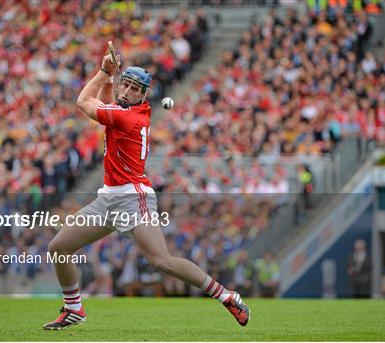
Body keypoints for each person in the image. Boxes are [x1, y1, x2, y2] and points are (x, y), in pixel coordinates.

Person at [42, 41, 250, 330]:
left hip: (132, 197)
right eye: (124, 86)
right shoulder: (125, 110)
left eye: (133, 89)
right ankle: (74, 308)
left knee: (161, 261)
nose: (126, 91)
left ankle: (226, 295)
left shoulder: (128, 117)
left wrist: (104, 72)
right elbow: (106, 103)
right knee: (59, 248)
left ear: (143, 95)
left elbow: (83, 102)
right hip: (108, 198)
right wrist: (111, 78)